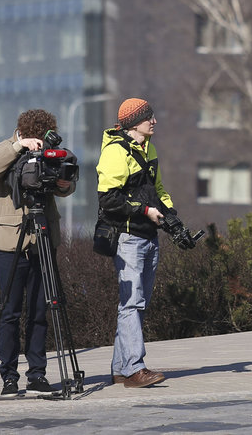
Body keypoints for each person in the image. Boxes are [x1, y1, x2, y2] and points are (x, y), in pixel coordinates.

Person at [0, 109, 76, 397]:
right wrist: (20, 146)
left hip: (42, 240)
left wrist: (64, 184)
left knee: (39, 312)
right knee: (9, 313)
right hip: (12, 242)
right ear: (22, 131)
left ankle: (37, 374)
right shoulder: (6, 148)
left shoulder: (49, 151)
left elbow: (63, 187)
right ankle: (9, 377)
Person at [97, 98, 176, 388]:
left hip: (149, 236)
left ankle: (120, 368)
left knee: (137, 305)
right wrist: (145, 211)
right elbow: (108, 199)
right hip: (128, 238)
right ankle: (134, 369)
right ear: (133, 123)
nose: (153, 121)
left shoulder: (149, 148)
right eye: (148, 117)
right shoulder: (115, 152)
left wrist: (169, 214)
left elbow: (157, 189)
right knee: (131, 303)